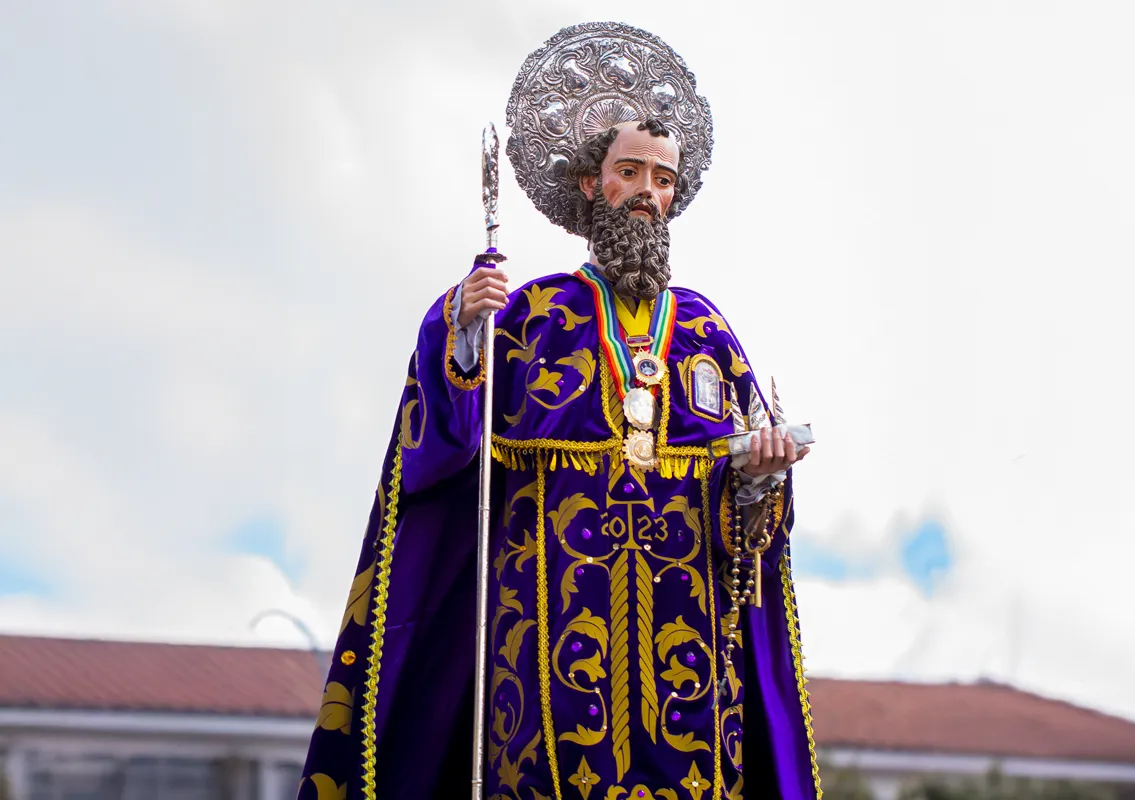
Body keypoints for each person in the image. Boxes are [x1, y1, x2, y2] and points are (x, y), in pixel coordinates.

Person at [299, 24, 821, 800]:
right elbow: (448, 446)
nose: (649, 191)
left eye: (664, 179)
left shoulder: (712, 336)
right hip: (548, 661)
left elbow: (749, 548)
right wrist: (462, 330)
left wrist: (760, 479)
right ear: (590, 184)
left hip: (692, 675)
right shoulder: (534, 316)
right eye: (631, 171)